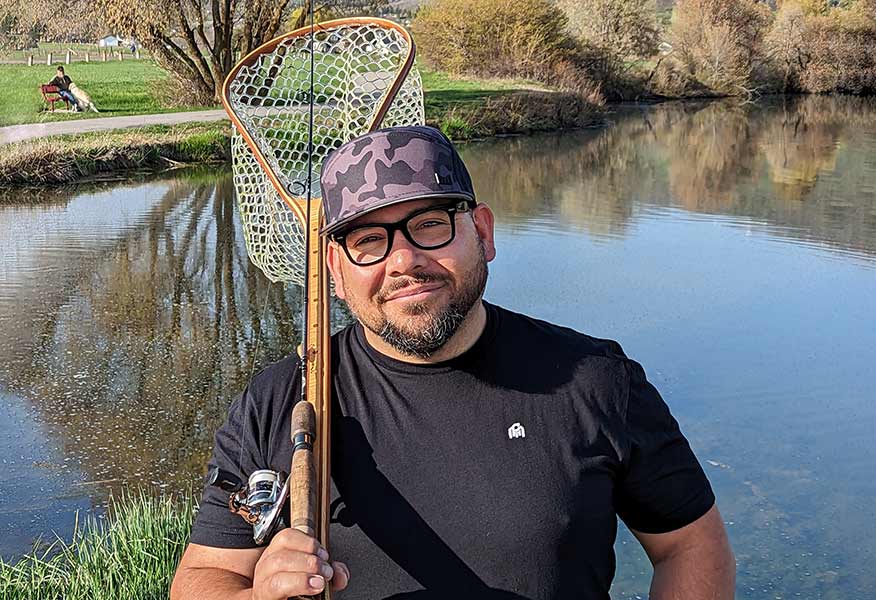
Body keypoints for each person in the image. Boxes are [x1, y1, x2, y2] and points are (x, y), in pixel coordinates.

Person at [171, 126, 735, 600]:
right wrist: (256, 595)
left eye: (430, 225)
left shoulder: (596, 380)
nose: (405, 261)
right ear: (336, 273)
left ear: (482, 232)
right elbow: (203, 576)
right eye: (368, 240)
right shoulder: (280, 400)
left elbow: (691, 544)